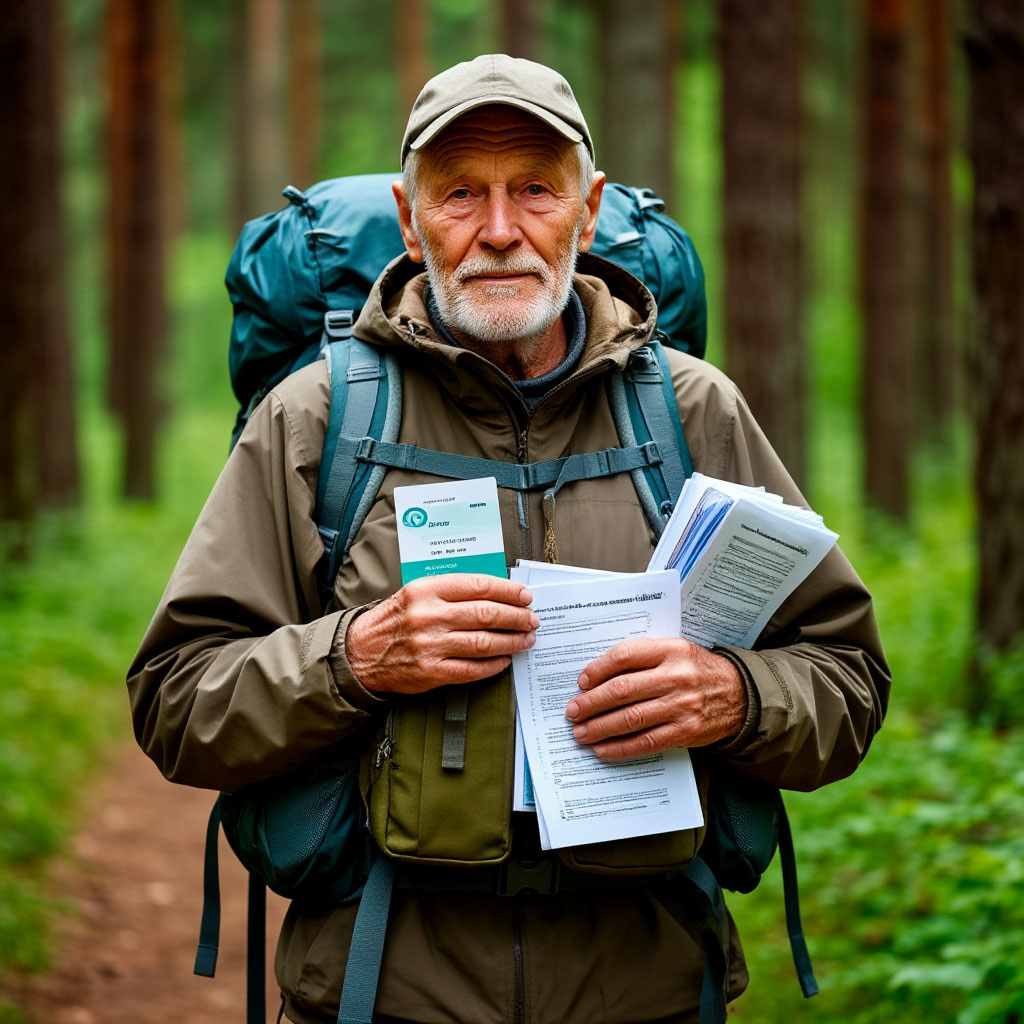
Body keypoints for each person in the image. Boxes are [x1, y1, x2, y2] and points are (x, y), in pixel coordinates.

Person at [128, 54, 890, 1024]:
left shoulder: (689, 411)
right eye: (460, 194)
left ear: (587, 208)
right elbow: (175, 698)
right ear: (410, 219)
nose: (498, 230)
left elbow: (847, 680)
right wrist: (353, 657)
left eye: (534, 189)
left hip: (649, 991)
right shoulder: (318, 418)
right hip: (378, 993)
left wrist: (733, 696)